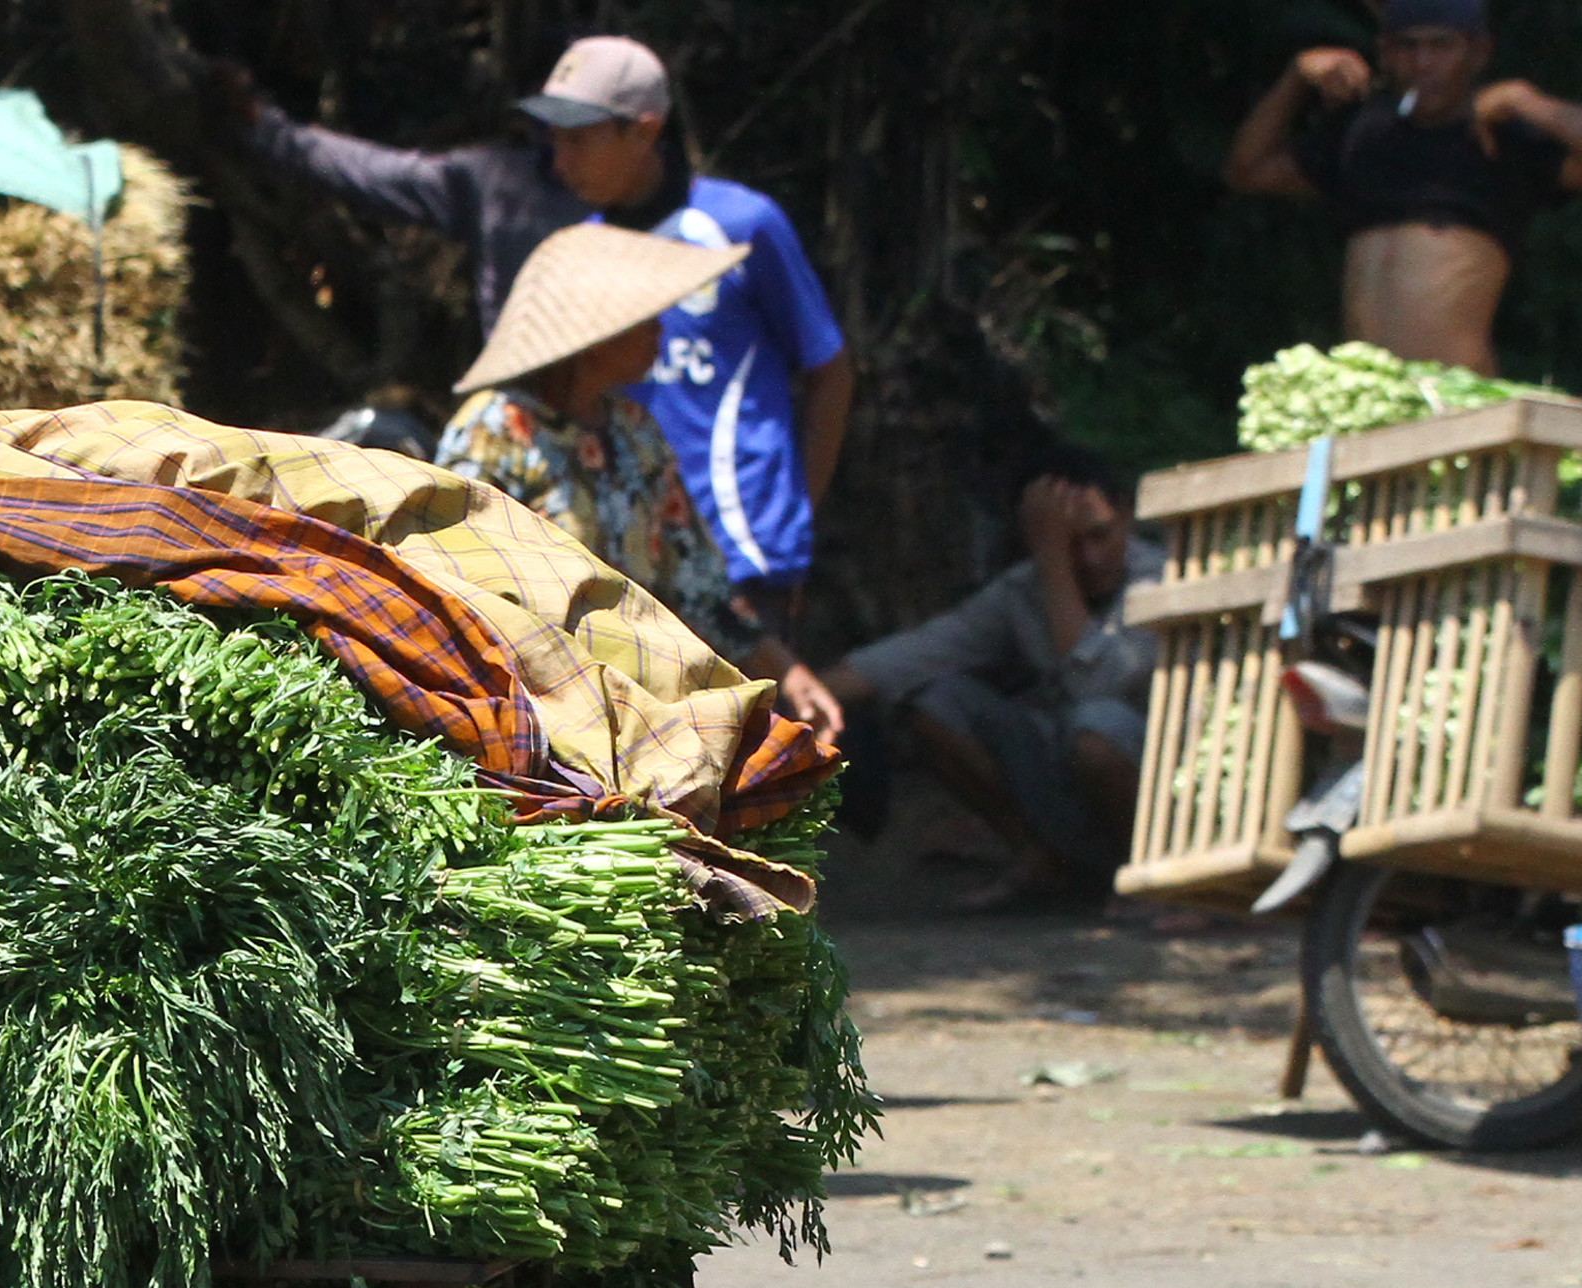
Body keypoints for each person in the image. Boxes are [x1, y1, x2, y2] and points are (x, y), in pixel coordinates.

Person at [208, 32, 852, 626]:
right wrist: (269, 131)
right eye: (552, 136)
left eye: (579, 138)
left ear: (643, 131)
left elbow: (828, 370)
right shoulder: (570, 248)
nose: (557, 156)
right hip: (615, 579)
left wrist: (793, 528)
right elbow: (389, 178)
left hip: (735, 559)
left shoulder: (741, 226)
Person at [437, 223, 843, 738]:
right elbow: (456, 589)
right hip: (531, 715)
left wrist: (787, 671)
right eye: (644, 319)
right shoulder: (491, 436)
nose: (661, 331)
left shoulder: (634, 432)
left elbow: (696, 581)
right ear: (594, 338)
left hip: (642, 712)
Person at [817, 445, 1162, 912]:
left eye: (1099, 536)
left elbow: (1092, 683)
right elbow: (912, 656)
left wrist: (1054, 558)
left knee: (1095, 729)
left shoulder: (1158, 580)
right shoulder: (1023, 591)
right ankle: (1044, 860)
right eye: (1069, 544)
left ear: (1125, 515)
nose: (1089, 558)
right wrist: (787, 697)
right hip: (1067, 779)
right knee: (937, 703)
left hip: (1157, 789)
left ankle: (1144, 879)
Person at [1222, 0, 1582, 377]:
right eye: (1407, 46)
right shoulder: (1363, 135)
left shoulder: (1502, 137)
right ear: (1385, 54)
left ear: (1478, 53)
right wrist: (1296, 76)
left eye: (1441, 45)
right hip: (1367, 395)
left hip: (1456, 398)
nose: (1423, 63)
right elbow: (1249, 171)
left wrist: (1528, 102)